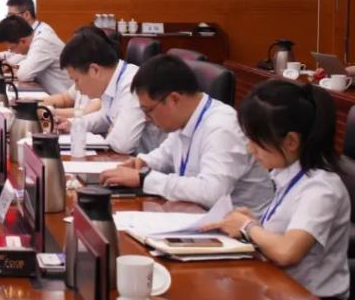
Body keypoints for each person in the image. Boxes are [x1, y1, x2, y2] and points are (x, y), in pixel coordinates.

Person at [203, 81, 350, 300]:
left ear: (291, 141)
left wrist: (248, 227)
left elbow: (287, 252)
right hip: (281, 291)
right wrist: (254, 223)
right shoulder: (288, 173)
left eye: (256, 141)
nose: (250, 149)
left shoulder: (322, 189)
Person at [100, 55, 273, 212]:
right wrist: (144, 162)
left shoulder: (222, 127)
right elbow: (166, 154)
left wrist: (145, 178)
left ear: (173, 99)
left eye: (148, 111)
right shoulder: (186, 118)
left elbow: (211, 192)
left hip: (241, 231)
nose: (146, 118)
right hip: (198, 217)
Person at [57, 26, 164, 154]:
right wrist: (73, 125)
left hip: (150, 163)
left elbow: (122, 144)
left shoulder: (132, 83)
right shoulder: (114, 80)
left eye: (77, 80)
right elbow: (105, 117)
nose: (77, 88)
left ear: (94, 70)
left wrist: (111, 131)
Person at [0, 14, 72, 96]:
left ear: (23, 41)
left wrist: (17, 68)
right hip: (54, 95)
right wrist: (16, 67)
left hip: (67, 99)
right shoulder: (36, 39)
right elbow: (25, 63)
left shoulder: (43, 42)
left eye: (12, 48)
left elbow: (24, 75)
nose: (12, 52)